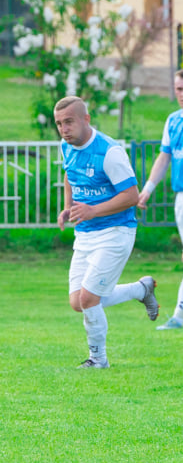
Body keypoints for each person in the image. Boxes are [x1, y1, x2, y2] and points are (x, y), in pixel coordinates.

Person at [55, 96, 158, 369]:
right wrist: (69, 207)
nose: (64, 129)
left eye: (69, 122)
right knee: (78, 302)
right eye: (59, 124)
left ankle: (98, 359)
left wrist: (93, 210)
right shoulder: (66, 147)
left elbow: (131, 196)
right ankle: (141, 289)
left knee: (89, 298)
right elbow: (69, 174)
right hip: (86, 234)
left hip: (116, 231)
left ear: (86, 119)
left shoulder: (109, 152)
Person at [138, 69, 183, 329]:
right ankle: (179, 316)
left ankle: (179, 316)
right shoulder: (173, 121)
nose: (181, 95)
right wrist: (148, 189)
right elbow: (164, 157)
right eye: (178, 89)